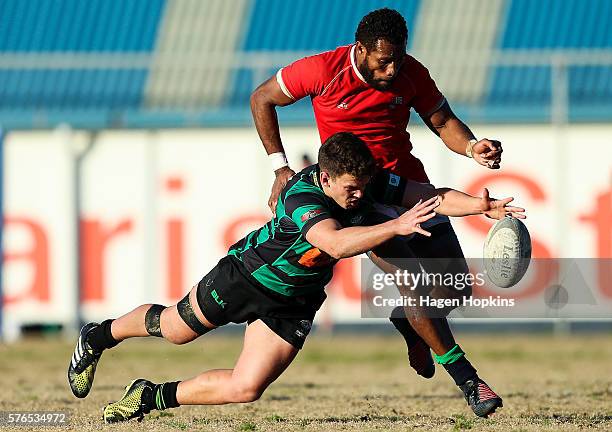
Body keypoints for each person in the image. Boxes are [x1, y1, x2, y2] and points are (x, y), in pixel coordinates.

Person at [67, 133, 523, 423]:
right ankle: (99, 335)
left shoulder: (365, 181)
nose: (359, 196)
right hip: (246, 277)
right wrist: (395, 226)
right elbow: (337, 245)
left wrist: (482, 207)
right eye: (350, 189)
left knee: (246, 389)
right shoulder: (303, 195)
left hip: (295, 300)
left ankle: (149, 397)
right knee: (173, 330)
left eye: (363, 187)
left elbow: (433, 196)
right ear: (325, 178)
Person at [250, 7, 505, 417]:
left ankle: (409, 321)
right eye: (383, 60)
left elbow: (442, 121)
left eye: (397, 59)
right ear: (362, 49)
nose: (391, 69)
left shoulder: (411, 73)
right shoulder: (322, 70)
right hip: (361, 198)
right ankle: (471, 382)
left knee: (455, 288)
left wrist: (472, 146)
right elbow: (262, 98)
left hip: (408, 188)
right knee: (413, 283)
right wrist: (279, 166)